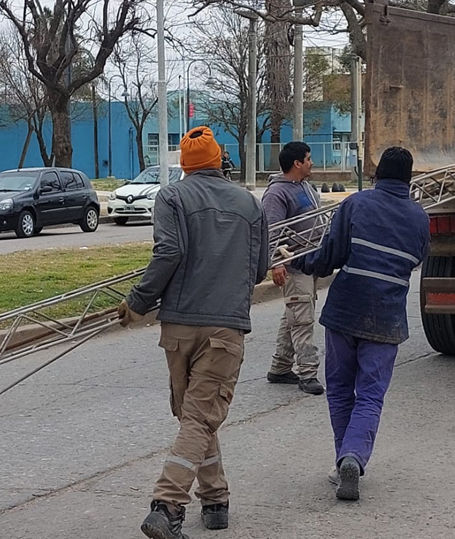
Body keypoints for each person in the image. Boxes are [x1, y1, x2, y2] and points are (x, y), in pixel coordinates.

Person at [118, 126, 269, 539]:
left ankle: (216, 498)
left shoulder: (172, 197)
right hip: (225, 328)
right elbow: (259, 269)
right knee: (200, 418)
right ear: (220, 160)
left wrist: (138, 302)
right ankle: (167, 505)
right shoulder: (250, 204)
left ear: (184, 165)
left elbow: (168, 252)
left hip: (179, 327)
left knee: (194, 417)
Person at [296, 146, 429, 501]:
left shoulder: (355, 204)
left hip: (345, 310)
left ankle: (344, 459)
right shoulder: (420, 218)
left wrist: (303, 263)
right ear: (409, 179)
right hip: (386, 318)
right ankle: (352, 457)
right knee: (370, 394)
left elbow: (330, 255)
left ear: (377, 174)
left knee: (340, 389)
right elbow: (417, 258)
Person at [262, 141, 325, 395]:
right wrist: (277, 262)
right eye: (308, 159)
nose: (312, 163)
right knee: (302, 319)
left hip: (310, 262)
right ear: (297, 163)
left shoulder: (306, 187)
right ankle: (308, 374)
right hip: (294, 266)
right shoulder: (277, 194)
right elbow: (271, 231)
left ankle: (280, 368)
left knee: (295, 314)